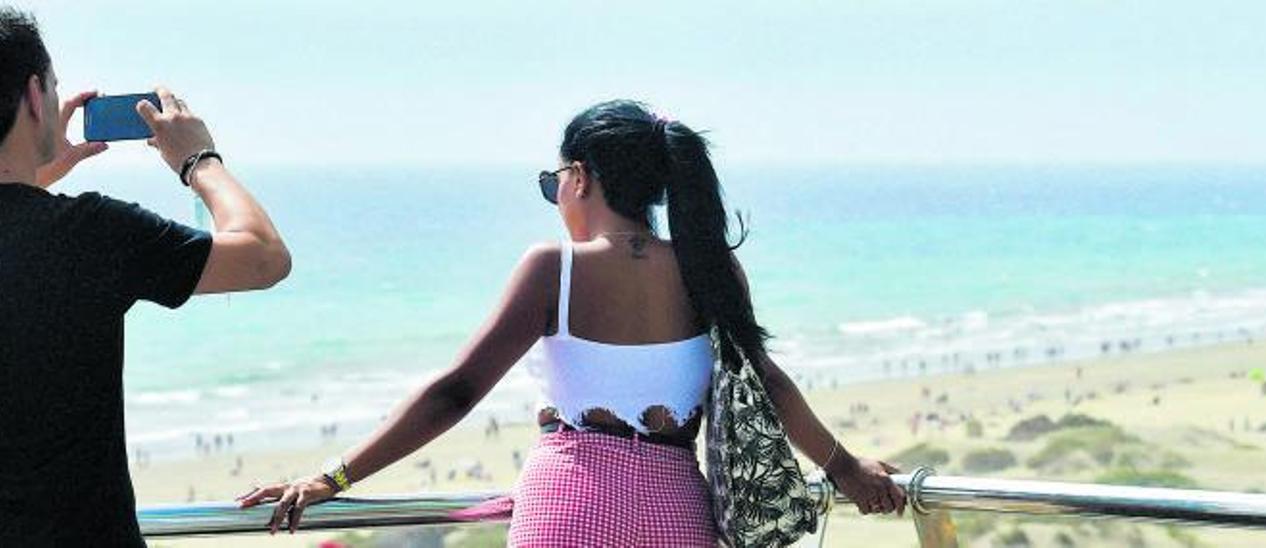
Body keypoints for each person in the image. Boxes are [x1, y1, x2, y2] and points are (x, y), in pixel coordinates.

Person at [238, 100, 904, 545]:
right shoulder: (711, 269)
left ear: (579, 177)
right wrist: (845, 468)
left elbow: (455, 392)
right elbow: (768, 383)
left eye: (552, 179)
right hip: (679, 510)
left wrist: (335, 478)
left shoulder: (553, 268)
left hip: (571, 503)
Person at [0, 8, 291, 546]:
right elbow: (263, 257)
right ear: (35, 98)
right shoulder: (87, 234)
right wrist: (198, 160)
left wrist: (35, 176)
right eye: (54, 87)